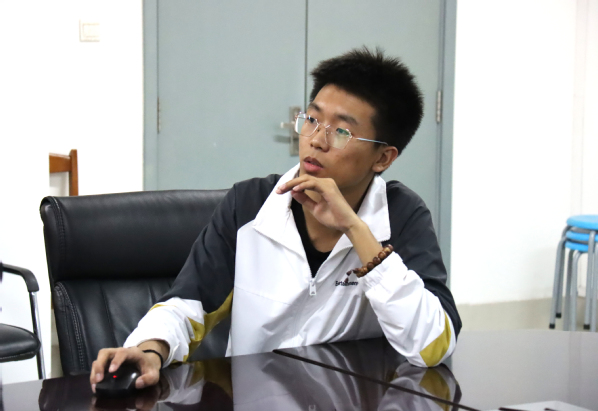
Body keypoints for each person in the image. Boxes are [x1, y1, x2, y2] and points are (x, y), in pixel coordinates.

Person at [90, 47, 462, 392]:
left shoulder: (401, 216)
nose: (316, 140)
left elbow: (432, 346)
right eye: (312, 120)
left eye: (341, 132)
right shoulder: (249, 204)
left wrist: (356, 230)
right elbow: (189, 303)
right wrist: (150, 349)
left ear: (382, 158)